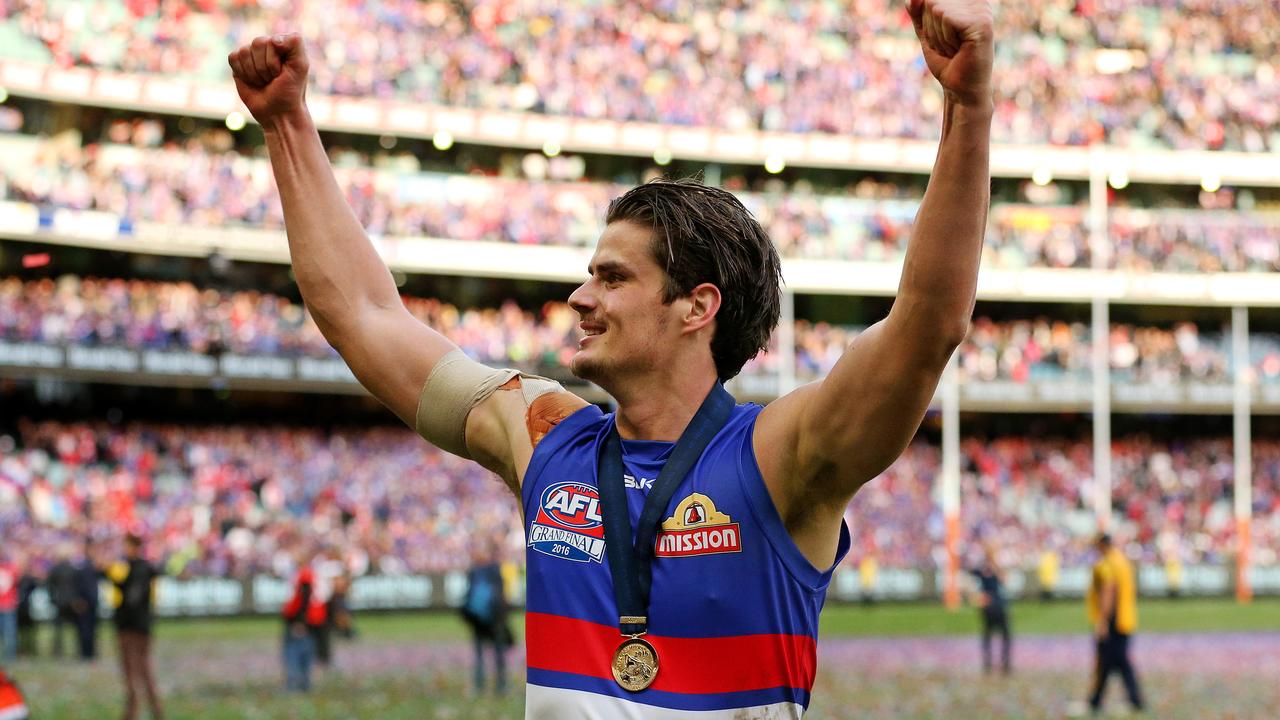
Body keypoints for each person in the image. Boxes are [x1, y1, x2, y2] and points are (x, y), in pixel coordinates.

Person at [228, 0, 993, 714]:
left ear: (698, 307)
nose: (580, 297)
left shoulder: (782, 456)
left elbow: (927, 325)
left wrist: (967, 107)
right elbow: (362, 315)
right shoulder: (541, 435)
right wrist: (288, 126)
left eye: (613, 277)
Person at [105, 534, 164, 720]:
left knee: (135, 669)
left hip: (132, 625)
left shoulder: (137, 568)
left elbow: (131, 597)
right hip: (139, 625)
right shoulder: (142, 568)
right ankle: (151, 709)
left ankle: (135, 711)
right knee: (140, 669)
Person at [1085, 533, 1144, 715]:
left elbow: (1108, 591)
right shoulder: (1122, 561)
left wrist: (1102, 621)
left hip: (1114, 621)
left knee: (1111, 661)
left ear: (1102, 545)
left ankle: (1130, 700)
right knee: (1111, 662)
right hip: (1125, 618)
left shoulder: (1107, 564)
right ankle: (1096, 700)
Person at [461, 540, 513, 696]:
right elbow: (502, 596)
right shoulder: (494, 569)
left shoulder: (475, 571)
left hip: (479, 618)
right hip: (495, 618)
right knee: (497, 653)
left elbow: (468, 597)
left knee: (480, 653)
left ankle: (480, 686)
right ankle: (501, 686)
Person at [281, 559, 327, 692]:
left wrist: (300, 621)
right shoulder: (316, 579)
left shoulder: (305, 578)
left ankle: (295, 685)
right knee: (305, 657)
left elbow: (302, 600)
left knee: (294, 657)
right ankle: (304, 685)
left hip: (300, 626)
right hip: (312, 626)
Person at [968, 544, 1010, 675]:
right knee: (989, 634)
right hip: (990, 605)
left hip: (998, 604)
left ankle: (1004, 663)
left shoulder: (995, 568)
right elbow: (969, 578)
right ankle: (988, 663)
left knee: (1003, 635)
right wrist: (976, 596)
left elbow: (1004, 580)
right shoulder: (982, 568)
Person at [71, 540, 101, 661]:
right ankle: (86, 653)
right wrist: (78, 600)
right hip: (84, 603)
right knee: (85, 630)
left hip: (92, 603)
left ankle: (90, 652)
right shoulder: (82, 566)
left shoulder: (92, 565)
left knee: (91, 629)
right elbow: (78, 585)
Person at [46, 546, 77, 658]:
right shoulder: (72, 568)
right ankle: (76, 650)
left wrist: (52, 599)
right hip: (72, 601)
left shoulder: (55, 569)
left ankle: (57, 650)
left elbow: (49, 585)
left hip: (59, 601)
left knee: (58, 628)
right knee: (75, 627)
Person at [15, 556, 38, 659]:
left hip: (24, 607)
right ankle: (22, 649)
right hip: (21, 607)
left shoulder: (27, 578)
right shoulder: (20, 577)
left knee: (25, 631)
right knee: (21, 631)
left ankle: (25, 649)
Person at [0, 552, 17, 663]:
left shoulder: (10, 568)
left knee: (9, 633)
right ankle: (10, 657)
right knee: (9, 633)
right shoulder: (11, 568)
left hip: (7, 604)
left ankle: (10, 657)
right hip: (8, 604)